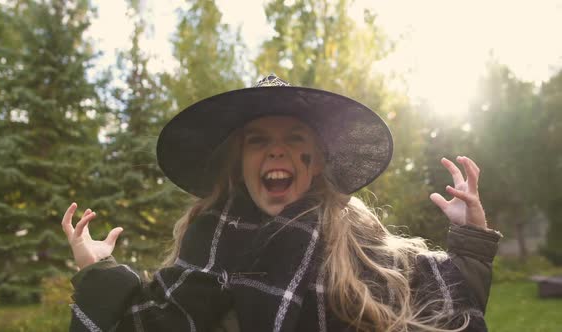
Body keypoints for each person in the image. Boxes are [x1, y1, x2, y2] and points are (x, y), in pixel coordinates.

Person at [62, 74, 502, 332]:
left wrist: (471, 239)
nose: (276, 151)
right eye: (258, 141)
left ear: (315, 165)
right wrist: (97, 271)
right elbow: (139, 320)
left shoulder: (361, 246)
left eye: (295, 139)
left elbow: (450, 303)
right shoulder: (204, 247)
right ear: (239, 165)